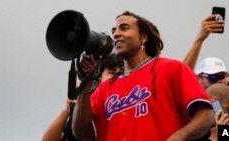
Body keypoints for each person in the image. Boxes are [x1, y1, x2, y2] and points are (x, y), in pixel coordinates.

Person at [72, 11, 215, 141]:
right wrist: (86, 83)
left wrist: (179, 136)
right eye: (114, 30)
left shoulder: (172, 68)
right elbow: (81, 133)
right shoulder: (105, 88)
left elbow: (206, 116)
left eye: (124, 28)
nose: (116, 34)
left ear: (143, 37)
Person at [41, 53, 124, 141]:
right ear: (100, 77)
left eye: (121, 74)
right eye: (112, 73)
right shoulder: (84, 102)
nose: (117, 77)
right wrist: (68, 108)